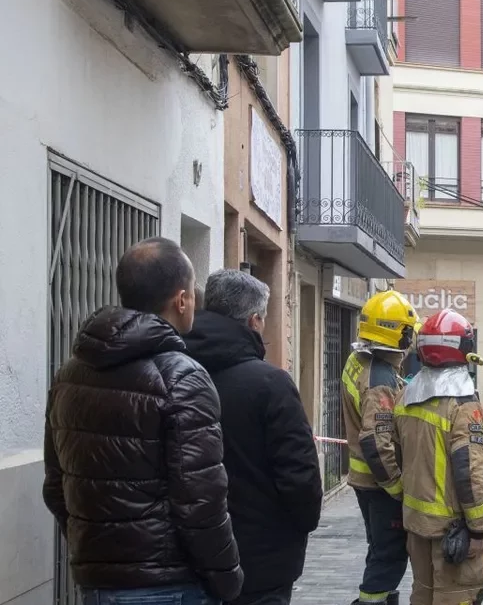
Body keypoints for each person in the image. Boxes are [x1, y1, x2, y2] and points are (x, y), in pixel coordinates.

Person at [43, 237, 243, 605]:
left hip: (98, 583)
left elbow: (56, 484)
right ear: (181, 300)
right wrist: (228, 580)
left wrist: (97, 551)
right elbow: (201, 499)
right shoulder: (183, 377)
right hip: (170, 583)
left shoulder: (70, 373)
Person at [183, 269, 323, 605]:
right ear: (255, 321)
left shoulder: (174, 369)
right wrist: (302, 525)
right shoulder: (271, 384)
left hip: (188, 556)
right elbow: (299, 475)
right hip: (261, 562)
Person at [396, 309, 483, 605]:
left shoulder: (406, 396)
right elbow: (468, 471)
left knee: (423, 595)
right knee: (458, 596)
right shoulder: (464, 406)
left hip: (417, 525)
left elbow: (401, 454)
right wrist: (478, 529)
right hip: (453, 532)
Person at [343, 290, 420, 605]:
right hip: (380, 485)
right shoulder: (381, 380)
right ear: (399, 334)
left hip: (366, 482)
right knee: (388, 556)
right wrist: (397, 487)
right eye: (408, 331)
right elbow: (375, 440)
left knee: (379, 550)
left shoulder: (359, 360)